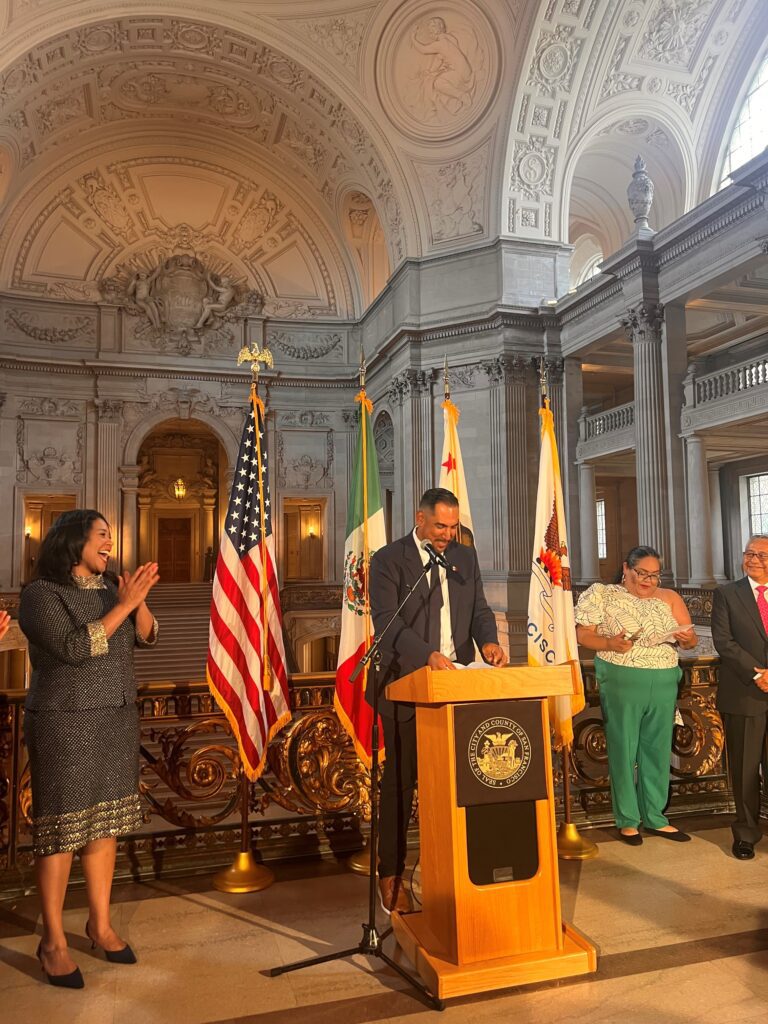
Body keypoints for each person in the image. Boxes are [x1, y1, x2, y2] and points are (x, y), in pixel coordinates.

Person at [18, 510, 159, 988]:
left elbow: (148, 637)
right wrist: (123, 604)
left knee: (106, 825)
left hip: (115, 718)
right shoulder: (40, 595)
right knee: (61, 832)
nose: (109, 543)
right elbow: (76, 648)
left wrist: (136, 602)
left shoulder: (108, 590)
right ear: (73, 542)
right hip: (64, 723)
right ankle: (53, 942)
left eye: (109, 537)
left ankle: (99, 925)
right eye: (101, 536)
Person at [368, 487, 507, 913]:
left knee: (461, 784)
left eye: (452, 526)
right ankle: (391, 873)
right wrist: (425, 655)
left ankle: (458, 871)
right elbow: (387, 623)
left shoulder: (465, 557)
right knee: (400, 784)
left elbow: (480, 609)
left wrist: (489, 642)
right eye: (441, 526)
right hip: (406, 684)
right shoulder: (389, 560)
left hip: (458, 685)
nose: (448, 534)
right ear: (421, 519)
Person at [574, 545, 698, 846]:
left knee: (656, 749)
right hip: (622, 679)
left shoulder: (670, 598)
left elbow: (692, 641)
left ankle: (656, 816)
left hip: (665, 680)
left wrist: (686, 637)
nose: (648, 581)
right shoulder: (602, 594)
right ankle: (628, 820)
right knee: (623, 748)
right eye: (642, 574)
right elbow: (581, 634)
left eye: (654, 576)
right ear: (626, 569)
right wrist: (608, 642)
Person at [711, 534, 768, 860]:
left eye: (761, 555)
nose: (754, 560)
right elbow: (724, 641)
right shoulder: (727, 594)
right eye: (749, 553)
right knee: (746, 769)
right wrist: (759, 674)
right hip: (744, 693)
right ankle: (746, 833)